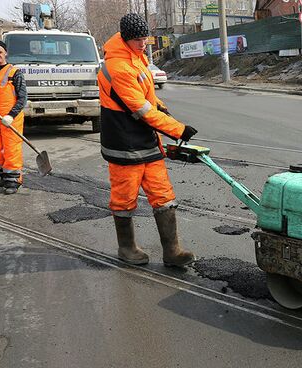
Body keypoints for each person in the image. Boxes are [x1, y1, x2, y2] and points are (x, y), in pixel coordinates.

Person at [98, 13, 198, 267]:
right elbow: (141, 110)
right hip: (123, 143)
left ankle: (172, 252)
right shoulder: (118, 67)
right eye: (139, 40)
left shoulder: (136, 58)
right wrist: (178, 129)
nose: (144, 44)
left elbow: (148, 99)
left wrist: (162, 109)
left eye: (146, 39)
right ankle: (127, 247)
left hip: (145, 140)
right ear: (126, 38)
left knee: (163, 194)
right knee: (124, 198)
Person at [0, 40, 27, 195]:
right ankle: (3, 177)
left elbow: (22, 98)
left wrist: (10, 115)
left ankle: (13, 180)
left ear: (5, 53)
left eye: (0, 53)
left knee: (11, 149)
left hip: (11, 118)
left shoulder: (14, 72)